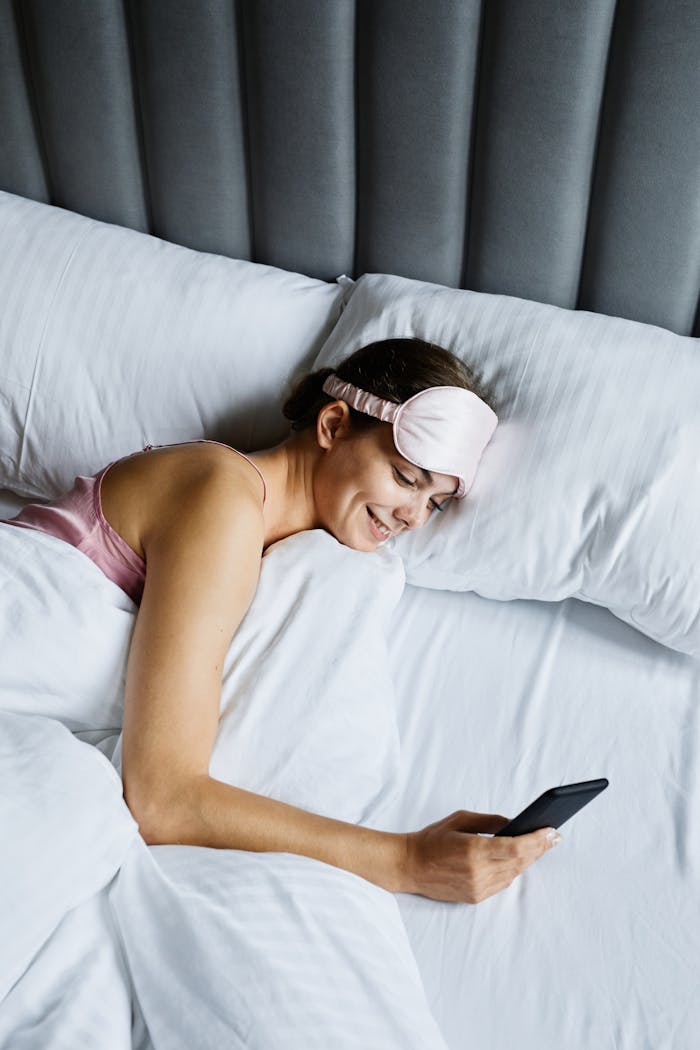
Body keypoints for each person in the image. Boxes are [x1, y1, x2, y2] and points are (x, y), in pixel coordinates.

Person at [3, 337, 559, 904]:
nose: (414, 516)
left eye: (436, 503)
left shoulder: (297, 558)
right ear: (334, 425)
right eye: (406, 478)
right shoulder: (223, 496)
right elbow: (162, 799)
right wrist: (406, 860)